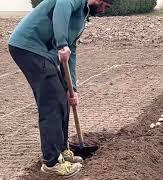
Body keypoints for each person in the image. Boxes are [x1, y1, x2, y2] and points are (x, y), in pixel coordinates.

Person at [8, 0, 113, 177]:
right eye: (104, 5)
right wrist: (61, 43)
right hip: (28, 46)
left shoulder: (81, 15)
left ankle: (62, 150)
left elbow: (71, 52)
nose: (103, 10)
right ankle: (51, 162)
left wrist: (72, 88)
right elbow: (61, 11)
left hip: (44, 54)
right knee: (52, 103)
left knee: (63, 98)